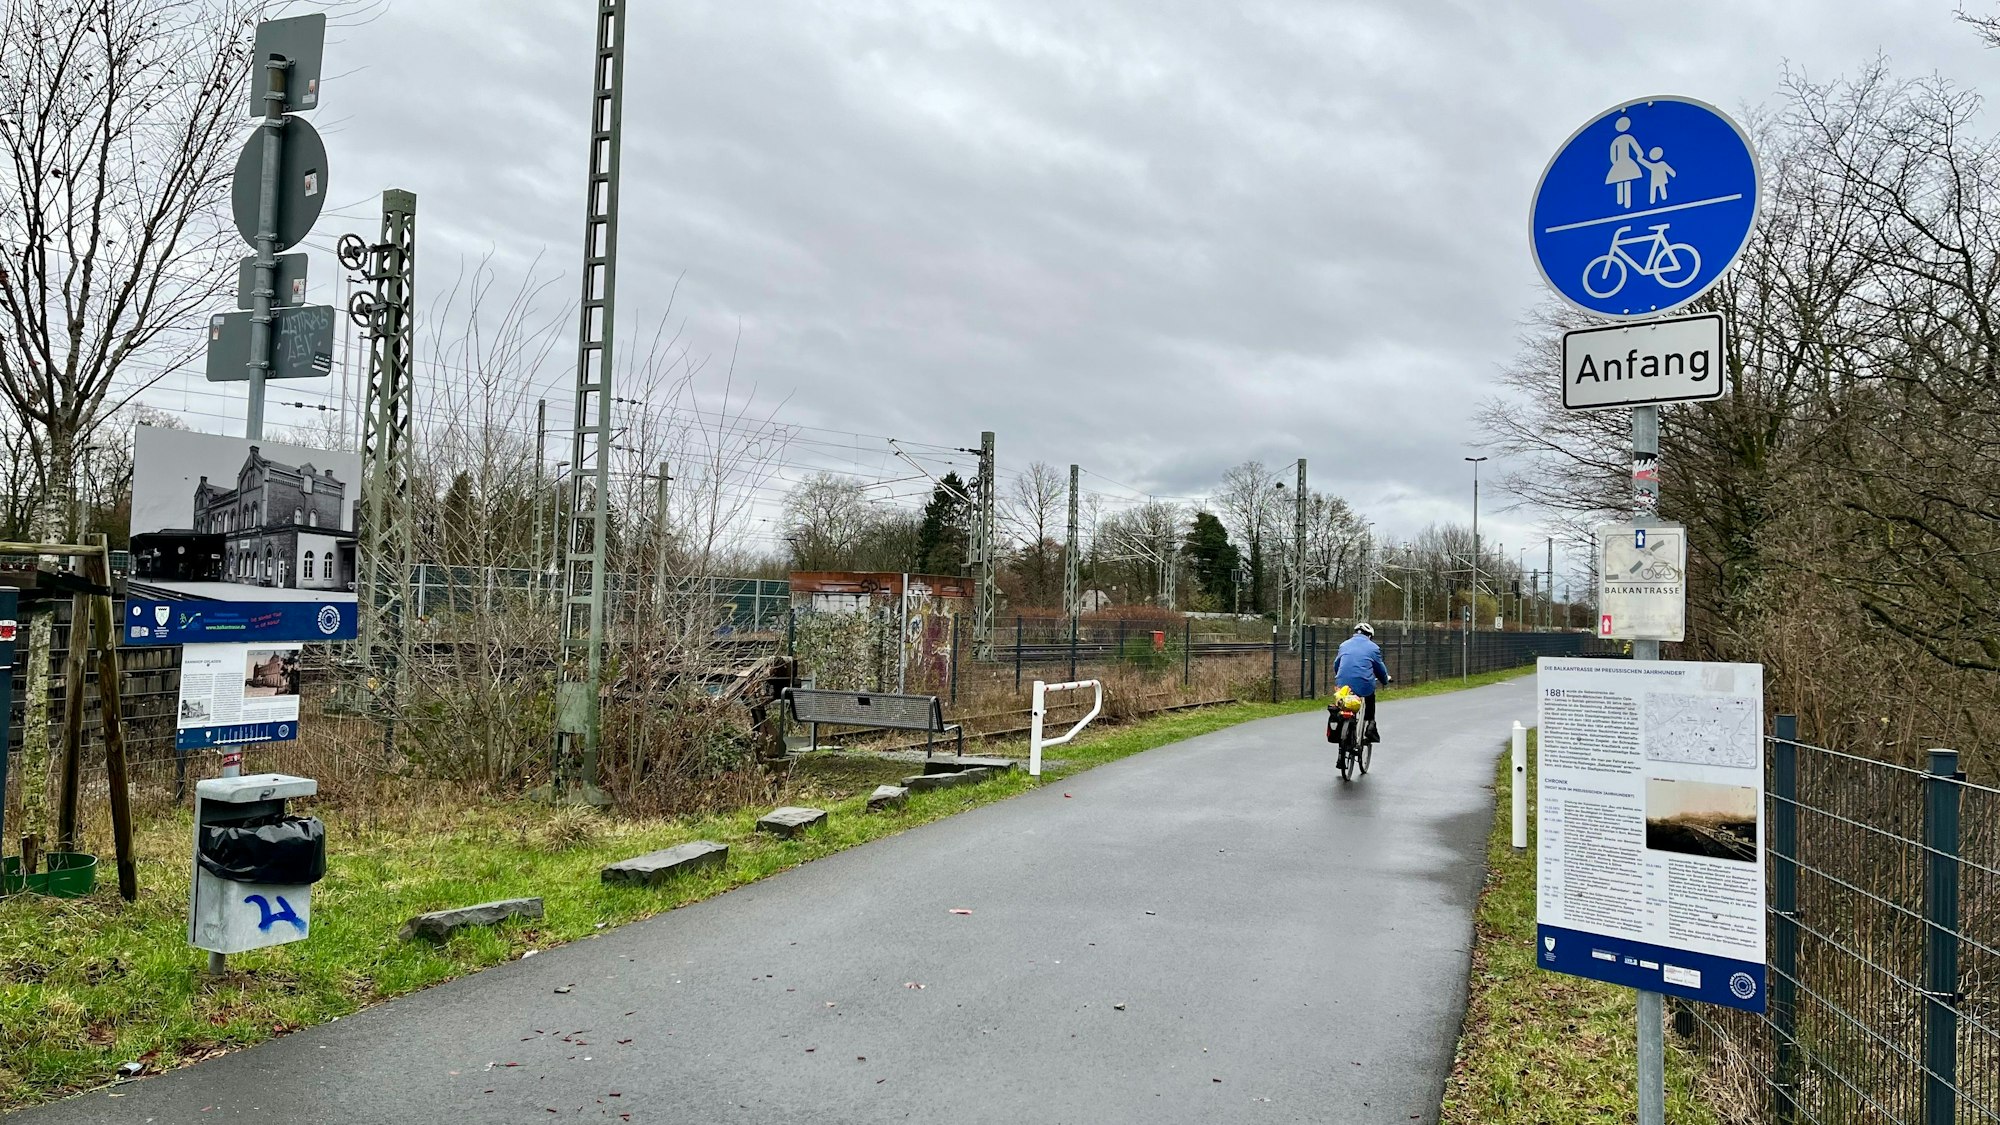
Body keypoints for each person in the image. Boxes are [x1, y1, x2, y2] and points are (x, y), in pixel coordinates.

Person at [1332, 622, 1391, 744]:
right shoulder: (1373, 648)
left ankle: (1340, 726)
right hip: (1363, 685)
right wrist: (1385, 680)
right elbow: (1380, 669)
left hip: (1342, 683)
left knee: (1342, 701)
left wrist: (1340, 678)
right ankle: (1370, 725)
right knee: (1370, 695)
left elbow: (1337, 665)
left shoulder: (1343, 645)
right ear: (1369, 635)